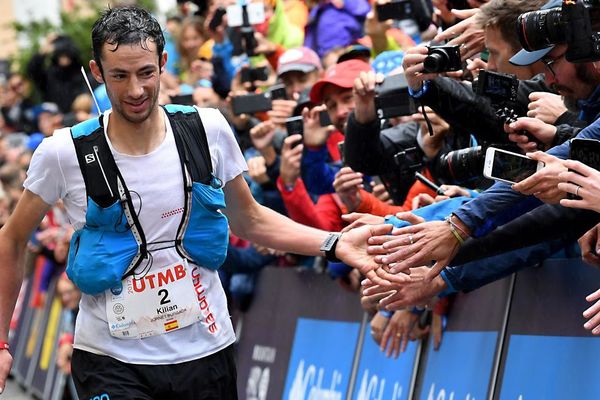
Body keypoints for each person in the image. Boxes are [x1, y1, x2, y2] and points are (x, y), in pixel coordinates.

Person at [0, 6, 392, 398]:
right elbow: (12, 240)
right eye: (119, 76)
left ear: (163, 64)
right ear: (98, 71)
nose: (135, 90)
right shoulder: (63, 153)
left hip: (205, 352)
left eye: (146, 73)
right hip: (111, 359)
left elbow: (250, 220)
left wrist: (333, 242)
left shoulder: (208, 129)